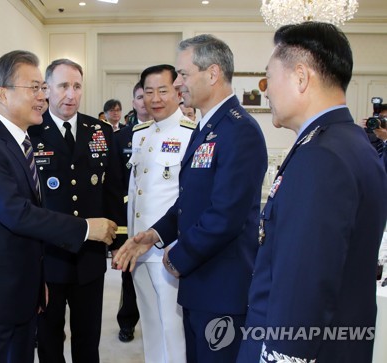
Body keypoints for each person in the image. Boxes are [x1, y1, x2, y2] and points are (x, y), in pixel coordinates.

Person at [0, 51, 117, 363]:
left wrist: (37, 284)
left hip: (22, 293)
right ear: (3, 93)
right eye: (34, 88)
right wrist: (88, 228)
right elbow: (17, 213)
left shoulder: (18, 141)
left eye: (42, 88)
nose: (43, 96)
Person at [236, 22, 387, 363]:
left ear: (301, 78)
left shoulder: (321, 157)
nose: (267, 91)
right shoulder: (352, 142)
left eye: (269, 78)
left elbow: (302, 287)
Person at [114, 34, 268, 363]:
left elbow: (225, 215)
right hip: (200, 280)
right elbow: (188, 201)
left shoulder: (240, 131)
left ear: (212, 74)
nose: (179, 83)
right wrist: (153, 235)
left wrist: (177, 257)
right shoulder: (208, 128)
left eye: (183, 74)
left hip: (220, 285)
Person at [28, 58, 126, 363]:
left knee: (88, 340)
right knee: (49, 340)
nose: (71, 94)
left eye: (77, 86)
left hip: (90, 258)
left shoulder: (98, 130)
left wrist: (119, 243)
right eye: (63, 86)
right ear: (46, 89)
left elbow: (112, 191)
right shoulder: (32, 131)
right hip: (49, 258)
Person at [127, 64, 195, 362]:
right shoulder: (140, 134)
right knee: (151, 323)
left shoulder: (192, 133)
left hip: (168, 249)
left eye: (163, 90)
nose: (155, 98)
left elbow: (188, 198)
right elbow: (136, 192)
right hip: (139, 248)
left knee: (172, 326)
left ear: (178, 92)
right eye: (149, 92)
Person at [112, 81, 152, 343]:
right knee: (130, 273)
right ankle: (127, 321)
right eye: (140, 96)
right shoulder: (121, 137)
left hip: (157, 214)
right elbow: (115, 183)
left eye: (148, 95)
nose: (145, 101)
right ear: (134, 102)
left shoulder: (170, 133)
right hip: (128, 214)